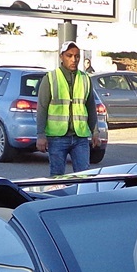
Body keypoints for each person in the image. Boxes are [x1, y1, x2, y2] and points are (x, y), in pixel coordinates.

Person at [36, 41, 103, 175]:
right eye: (69, 55)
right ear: (61, 57)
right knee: (57, 178)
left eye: (77, 56)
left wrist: (95, 132)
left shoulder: (85, 79)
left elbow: (91, 108)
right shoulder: (50, 78)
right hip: (57, 138)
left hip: (80, 138)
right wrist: (41, 135)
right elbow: (42, 108)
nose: (74, 59)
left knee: (83, 177)